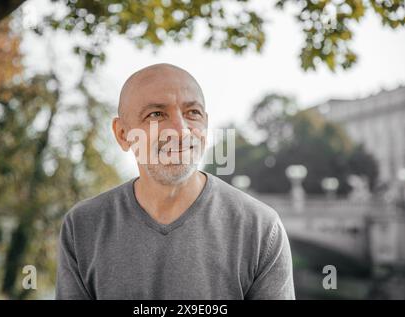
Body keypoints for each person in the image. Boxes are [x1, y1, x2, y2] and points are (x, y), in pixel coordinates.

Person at [55, 63, 295, 299]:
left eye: (193, 113)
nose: (181, 131)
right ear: (122, 134)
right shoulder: (83, 226)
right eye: (156, 114)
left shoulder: (261, 228)